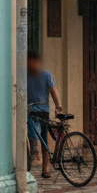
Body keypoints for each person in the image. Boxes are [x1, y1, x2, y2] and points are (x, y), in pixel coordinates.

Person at [27, 51, 63, 179]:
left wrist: (58, 107)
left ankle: (45, 168)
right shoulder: (24, 76)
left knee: (44, 139)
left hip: (43, 110)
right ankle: (29, 161)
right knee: (30, 137)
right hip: (29, 110)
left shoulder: (46, 75)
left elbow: (53, 90)